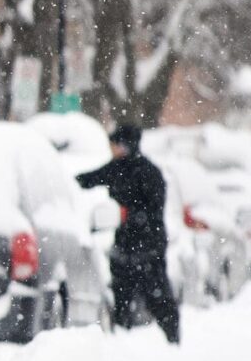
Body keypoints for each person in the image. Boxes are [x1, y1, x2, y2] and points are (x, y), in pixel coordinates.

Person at [76, 124, 180, 344]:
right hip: (123, 246)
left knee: (157, 295)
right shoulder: (117, 168)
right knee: (122, 295)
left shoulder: (149, 172)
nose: (112, 150)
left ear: (125, 146)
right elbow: (89, 179)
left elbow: (154, 211)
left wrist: (128, 214)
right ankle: (121, 337)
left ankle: (172, 339)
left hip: (149, 247)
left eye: (115, 145)